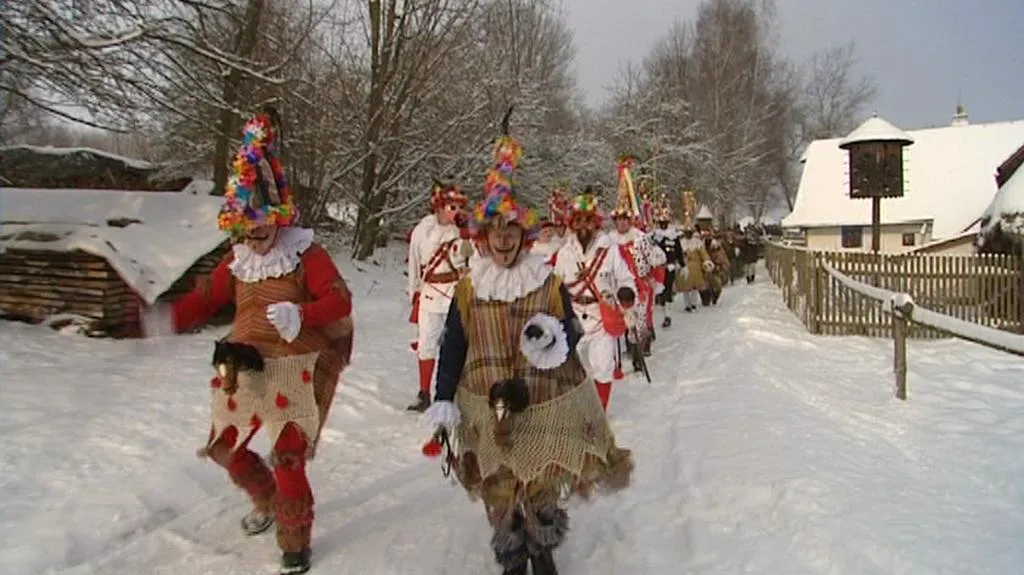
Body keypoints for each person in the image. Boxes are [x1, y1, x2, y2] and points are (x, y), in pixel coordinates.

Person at [141, 108, 354, 575]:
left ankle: (294, 540)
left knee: (287, 454)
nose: (254, 233)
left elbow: (339, 303)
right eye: (245, 224)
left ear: (278, 216)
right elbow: (206, 299)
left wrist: (302, 313)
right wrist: (165, 319)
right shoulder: (237, 261)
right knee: (225, 448)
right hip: (243, 362)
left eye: (261, 222)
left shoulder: (305, 254)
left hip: (296, 365)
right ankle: (270, 500)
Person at [424, 118, 633, 575]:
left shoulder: (545, 280)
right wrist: (442, 398)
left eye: (511, 231)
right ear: (483, 237)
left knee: (540, 481)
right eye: (495, 231)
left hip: (540, 400)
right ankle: (511, 555)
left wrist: (555, 338)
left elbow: (572, 332)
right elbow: (453, 345)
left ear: (523, 236)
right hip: (483, 403)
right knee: (499, 487)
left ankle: (543, 547)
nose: (503, 240)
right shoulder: (467, 286)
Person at [552, 189, 637, 409]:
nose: (583, 226)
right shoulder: (564, 253)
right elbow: (556, 284)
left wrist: (626, 292)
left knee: (603, 367)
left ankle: (600, 413)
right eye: (578, 221)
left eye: (588, 221)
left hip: (601, 315)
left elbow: (626, 277)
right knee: (570, 368)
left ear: (596, 223)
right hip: (572, 316)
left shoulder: (609, 250)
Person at [406, 180, 473, 412]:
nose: (456, 212)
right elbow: (414, 262)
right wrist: (414, 291)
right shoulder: (422, 230)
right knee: (426, 343)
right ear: (440, 207)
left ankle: (451, 393)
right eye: (452, 207)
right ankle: (424, 393)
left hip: (454, 293)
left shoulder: (464, 232)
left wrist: (466, 235)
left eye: (459, 208)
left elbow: (470, 259)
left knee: (455, 343)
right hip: (429, 294)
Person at [651, 199, 683, 328]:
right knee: (657, 292)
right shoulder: (655, 236)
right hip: (657, 268)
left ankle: (667, 315)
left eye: (665, 222)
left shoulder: (673, 235)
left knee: (668, 291)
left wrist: (682, 264)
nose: (663, 224)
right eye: (661, 222)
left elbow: (679, 251)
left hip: (669, 267)